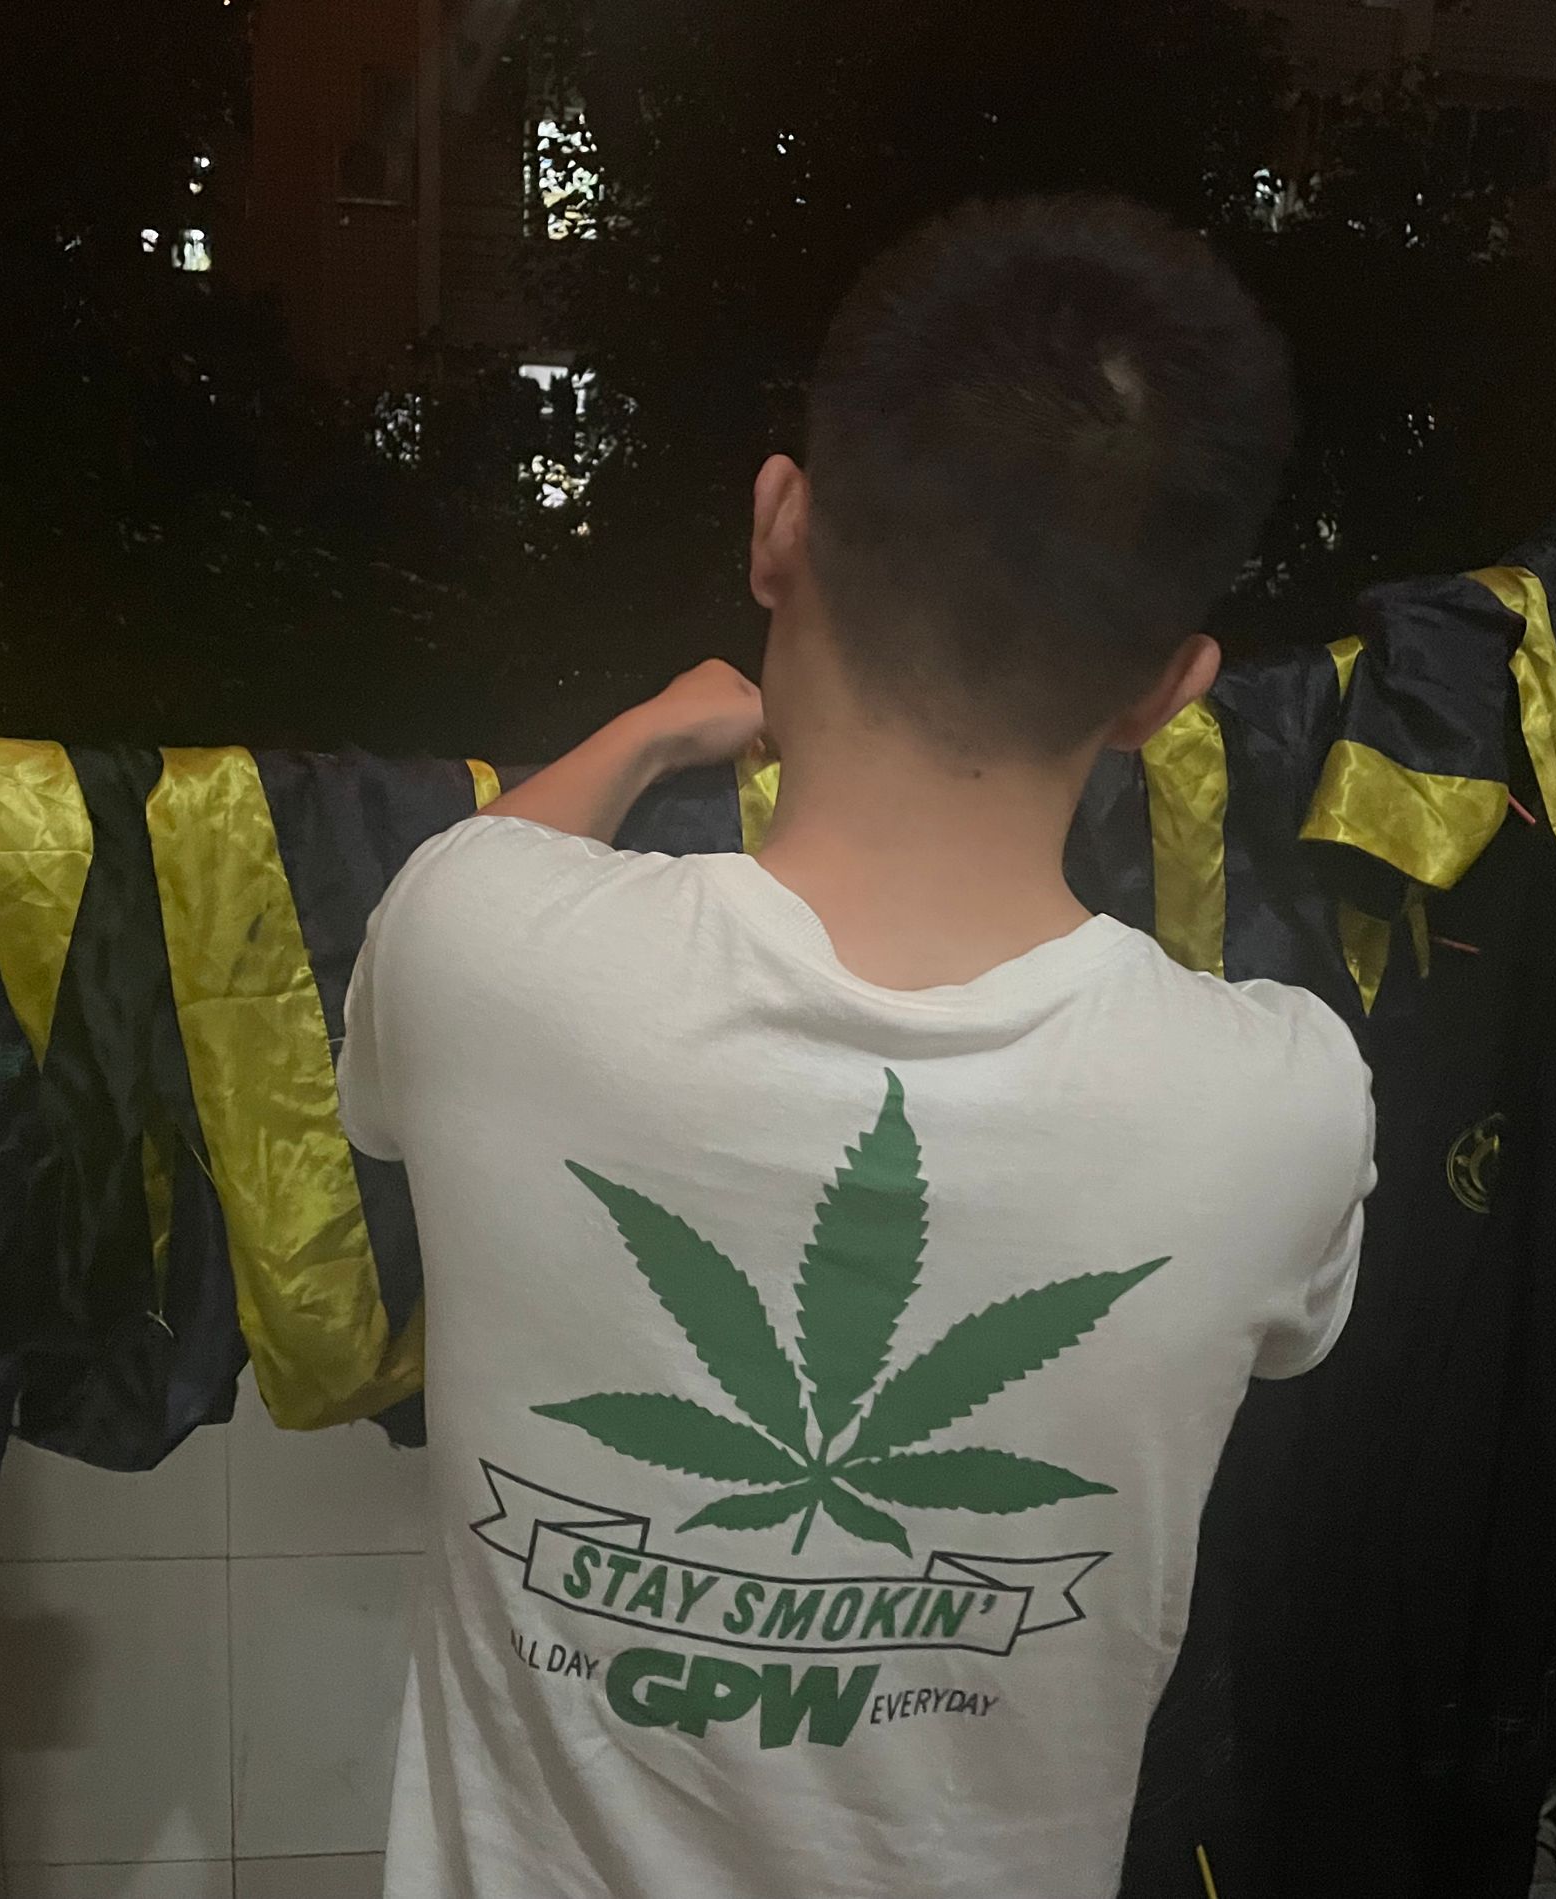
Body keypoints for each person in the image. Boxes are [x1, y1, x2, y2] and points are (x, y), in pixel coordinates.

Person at [339, 193, 1376, 1899]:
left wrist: (648, 732)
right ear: (1171, 687)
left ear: (777, 524)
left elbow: (440, 915)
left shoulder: (482, 951)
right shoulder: (1285, 1103)